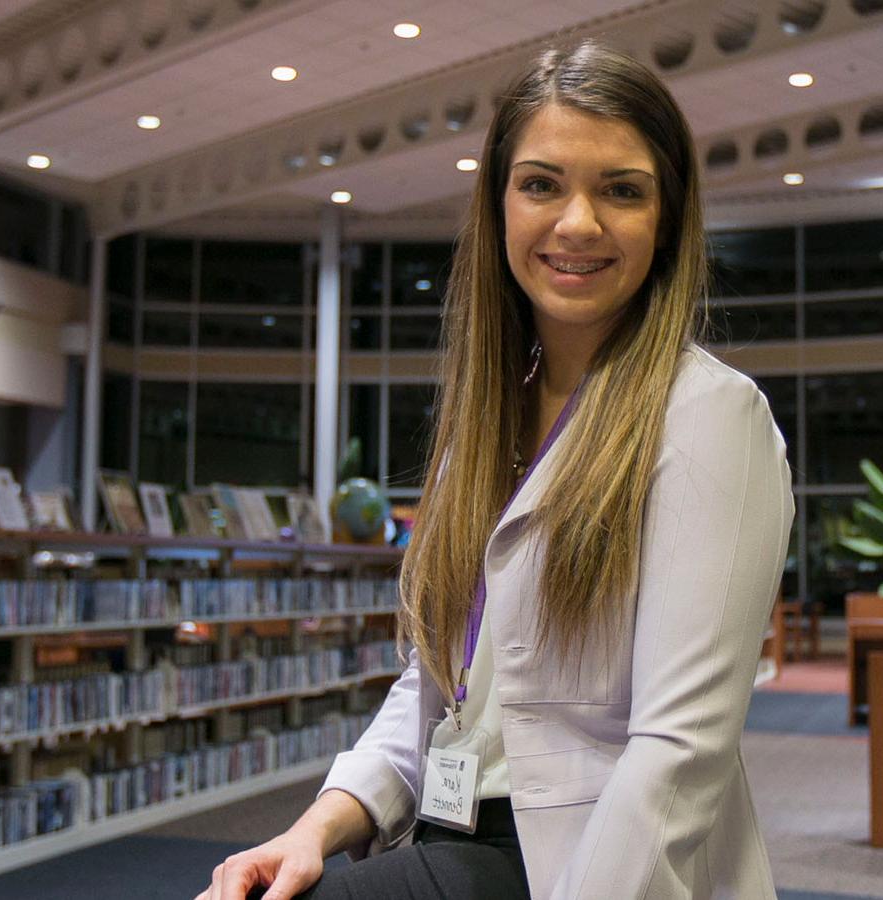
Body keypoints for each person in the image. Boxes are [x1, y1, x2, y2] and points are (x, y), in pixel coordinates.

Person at [196, 39, 794, 900]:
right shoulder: (485, 422)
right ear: (499, 204)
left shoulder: (708, 416)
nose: (578, 223)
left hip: (580, 862)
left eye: (621, 190)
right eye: (542, 184)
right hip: (453, 828)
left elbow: (679, 751)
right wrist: (315, 827)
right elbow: (440, 684)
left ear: (666, 218)